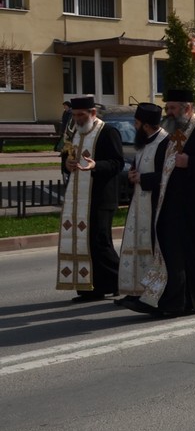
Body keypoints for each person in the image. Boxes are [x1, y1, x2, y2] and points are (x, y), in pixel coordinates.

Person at [141, 89, 195, 316]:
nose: (168, 113)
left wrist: (191, 162)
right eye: (167, 108)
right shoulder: (175, 133)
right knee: (178, 256)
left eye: (172, 108)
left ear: (187, 108)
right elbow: (166, 171)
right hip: (177, 208)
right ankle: (178, 301)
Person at [57, 95, 123, 301]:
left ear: (93, 113)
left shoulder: (108, 132)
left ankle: (119, 281)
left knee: (99, 242)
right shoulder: (73, 132)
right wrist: (66, 165)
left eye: (81, 115)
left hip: (101, 198)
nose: (77, 119)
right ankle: (89, 288)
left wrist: (95, 166)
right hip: (77, 198)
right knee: (81, 243)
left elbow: (117, 163)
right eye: (74, 115)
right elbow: (65, 159)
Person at [116, 103, 167, 308]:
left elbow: (168, 175)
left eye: (136, 123)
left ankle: (149, 291)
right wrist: (133, 175)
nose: (133, 126)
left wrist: (143, 179)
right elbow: (139, 166)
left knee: (150, 248)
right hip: (139, 202)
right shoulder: (144, 141)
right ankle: (134, 290)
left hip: (155, 204)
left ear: (145, 125)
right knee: (134, 246)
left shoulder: (166, 142)